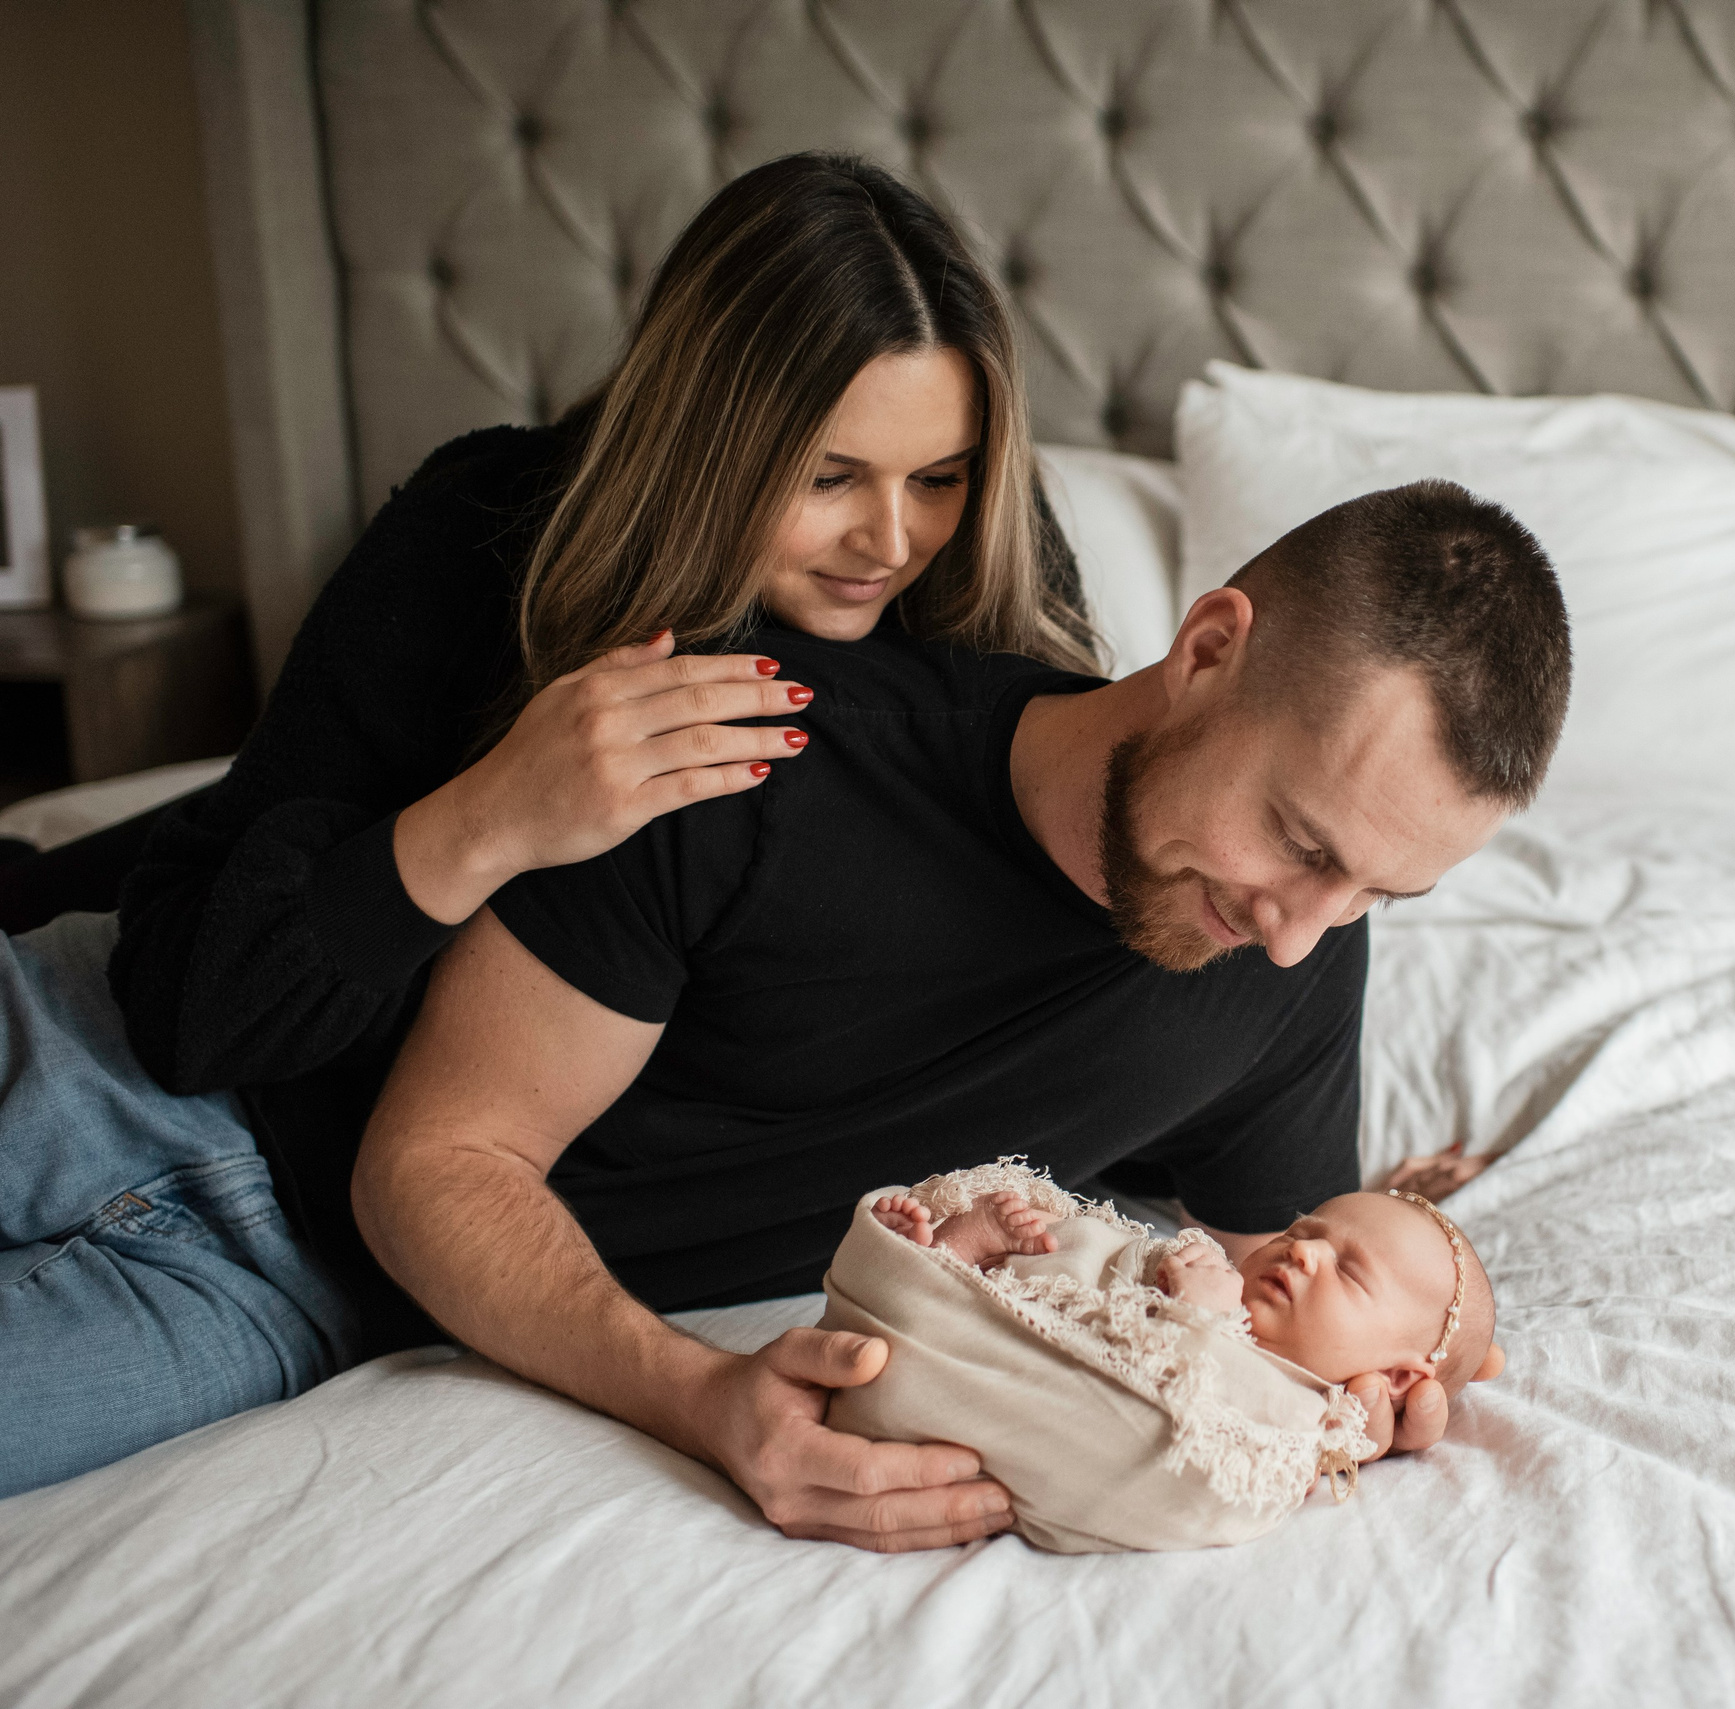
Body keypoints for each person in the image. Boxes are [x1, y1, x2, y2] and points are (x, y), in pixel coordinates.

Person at [0, 152, 1096, 1500]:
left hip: (304, 1277)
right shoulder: (487, 529)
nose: (890, 537)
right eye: (828, 475)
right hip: (110, 1058)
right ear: (706, 443)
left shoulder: (990, 625)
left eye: (941, 475)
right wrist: (496, 817)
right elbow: (188, 1007)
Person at [354, 478, 1572, 1552]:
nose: (1301, 930)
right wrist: (700, 1396)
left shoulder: (1296, 957)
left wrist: (1373, 1377)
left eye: (1374, 889)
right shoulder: (759, 759)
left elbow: (1247, 1290)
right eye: (1301, 842)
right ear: (1206, 648)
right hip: (241, 1211)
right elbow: (433, 1159)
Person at [816, 1164, 1500, 1553]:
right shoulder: (1206, 1267)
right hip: (1010, 1307)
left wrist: (1200, 1320)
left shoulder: (1287, 1419)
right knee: (1070, 1244)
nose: (1304, 1250)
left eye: (1348, 1272)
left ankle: (934, 1280)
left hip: (975, 1379)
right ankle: (951, 1256)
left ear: (1401, 1377)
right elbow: (1102, 1266)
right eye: (1303, 1228)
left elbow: (1181, 1463)